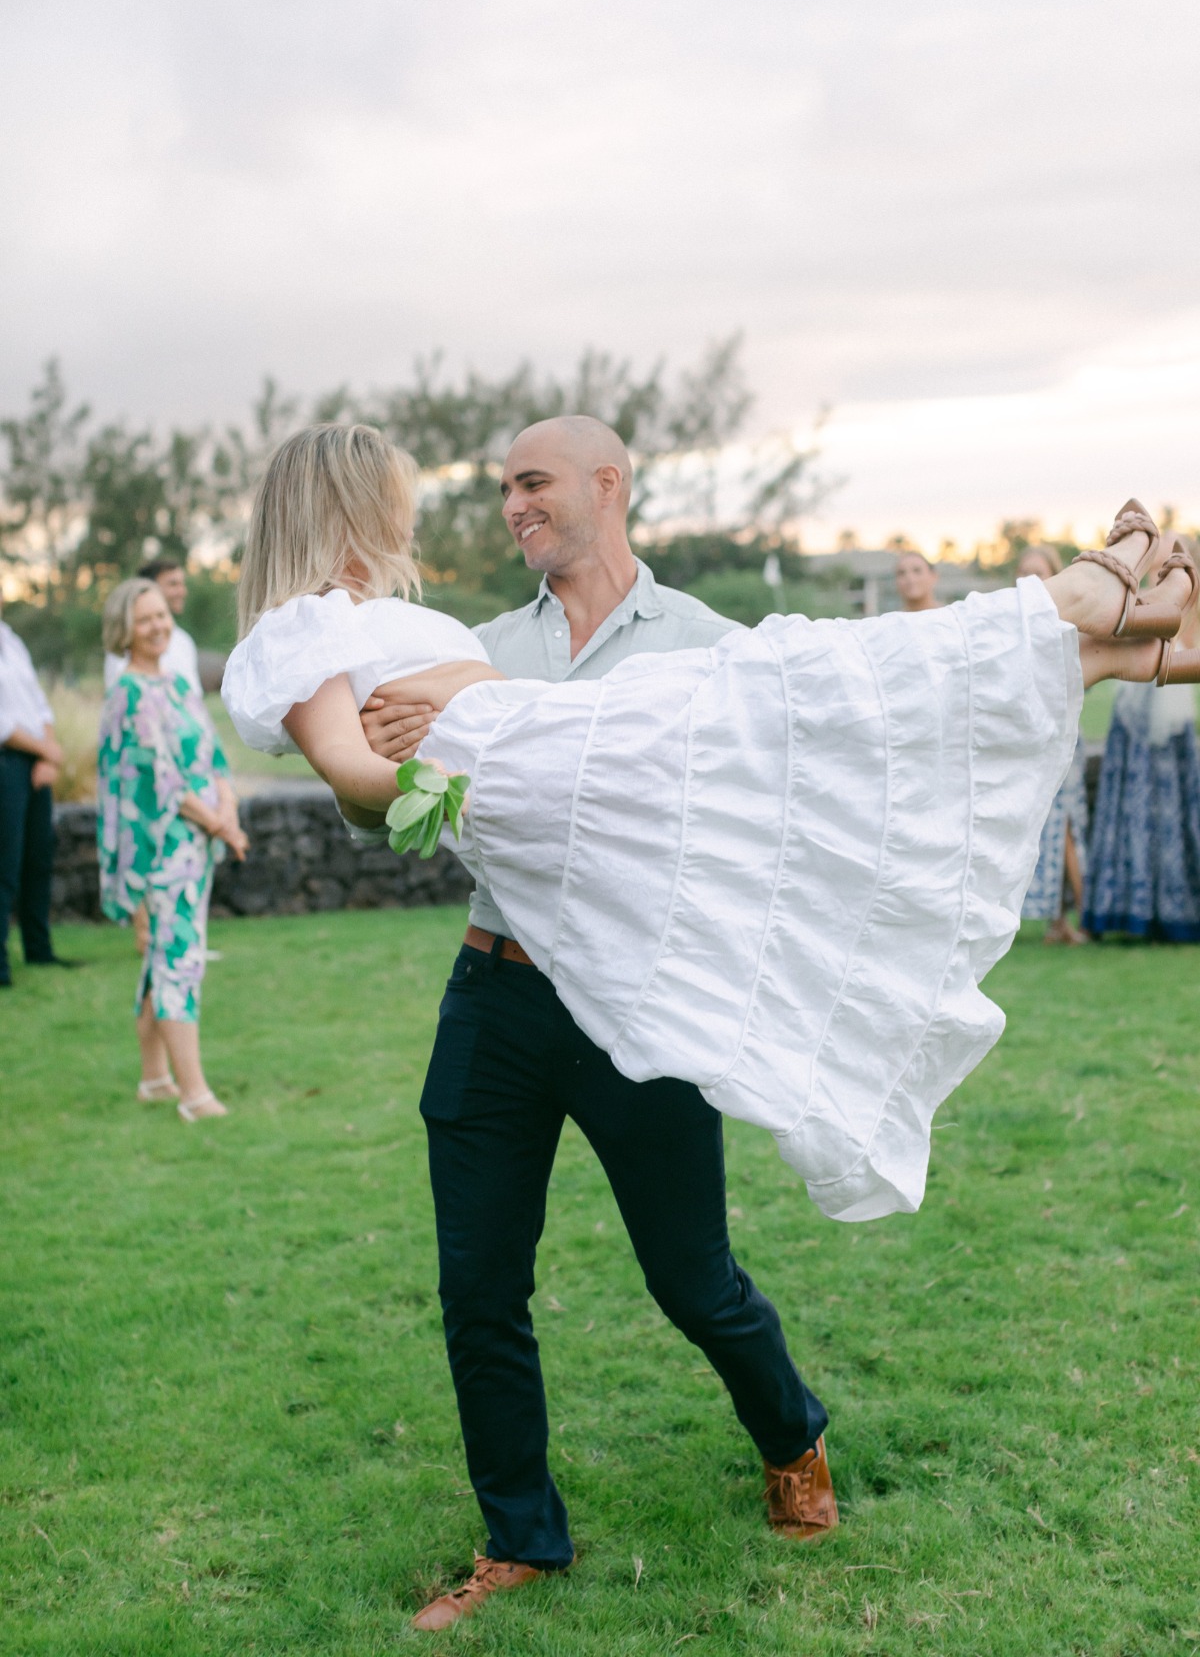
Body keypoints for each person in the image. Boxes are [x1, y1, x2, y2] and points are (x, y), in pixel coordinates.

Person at [222, 424, 1199, 1627]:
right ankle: (520, 1538)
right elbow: (383, 801)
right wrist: (429, 734)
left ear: (605, 488)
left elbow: (818, 755)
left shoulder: (710, 647)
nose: (515, 506)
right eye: (507, 490)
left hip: (645, 996)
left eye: (535, 484)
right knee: (479, 1283)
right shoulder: (467, 643)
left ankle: (791, 1434)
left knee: (692, 1278)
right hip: (502, 990)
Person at [98, 579, 248, 1118]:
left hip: (198, 845)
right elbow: (162, 782)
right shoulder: (129, 695)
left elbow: (212, 758)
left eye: (161, 615)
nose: (158, 626)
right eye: (145, 620)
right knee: (179, 960)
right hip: (163, 852)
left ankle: (155, 1079)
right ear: (124, 631)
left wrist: (226, 805)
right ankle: (194, 1094)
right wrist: (222, 826)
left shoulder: (180, 687)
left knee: (163, 956)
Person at [1083, 535, 1200, 941]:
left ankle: (1175, 913)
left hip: (1174, 735)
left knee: (1173, 818)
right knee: (1126, 814)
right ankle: (1120, 910)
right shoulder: (1133, 600)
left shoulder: (1195, 612)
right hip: (1130, 729)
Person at [0, 601, 79, 986]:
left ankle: (39, 950)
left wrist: (48, 755)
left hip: (34, 761)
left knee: (38, 857)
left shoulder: (10, 639)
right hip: (6, 760)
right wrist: (44, 750)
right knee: (5, 865)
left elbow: (37, 703)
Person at [1015, 545, 1090, 944]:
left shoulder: (1069, 623)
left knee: (1065, 828)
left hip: (1064, 739)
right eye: (1024, 573)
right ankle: (1062, 921)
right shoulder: (1013, 626)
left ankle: (1084, 917)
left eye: (1039, 572)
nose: (1031, 581)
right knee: (1048, 830)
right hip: (1032, 742)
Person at [104, 557, 201, 695]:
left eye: (161, 616)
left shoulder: (184, 641)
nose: (182, 592)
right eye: (173, 584)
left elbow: (194, 696)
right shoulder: (125, 651)